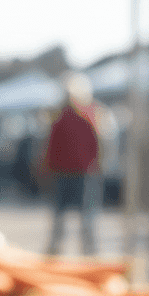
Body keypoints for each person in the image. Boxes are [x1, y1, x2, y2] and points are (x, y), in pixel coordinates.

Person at [43, 74, 100, 256]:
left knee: (69, 219)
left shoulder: (64, 118)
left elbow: (51, 147)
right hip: (79, 173)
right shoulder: (89, 117)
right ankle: (87, 254)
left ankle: (58, 253)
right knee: (83, 219)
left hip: (73, 173)